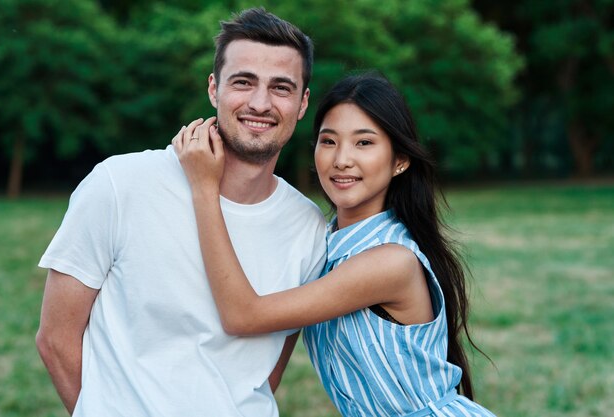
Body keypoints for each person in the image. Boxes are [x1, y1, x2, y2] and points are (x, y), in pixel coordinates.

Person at [35, 8, 326, 417]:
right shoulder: (120, 183)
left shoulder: (309, 226)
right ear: (214, 89)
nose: (260, 103)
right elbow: (55, 340)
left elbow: (266, 373)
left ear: (302, 103)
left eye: (281, 87)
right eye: (243, 82)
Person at [173, 72, 497, 416]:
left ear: (400, 161)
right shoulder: (322, 247)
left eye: (364, 143)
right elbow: (267, 377)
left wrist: (204, 187)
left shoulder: (389, 261)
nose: (341, 159)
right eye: (328, 141)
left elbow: (242, 315)